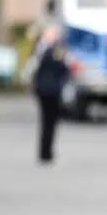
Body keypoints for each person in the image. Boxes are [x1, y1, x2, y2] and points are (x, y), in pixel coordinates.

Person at [26, 25, 75, 164]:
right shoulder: (53, 49)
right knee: (49, 122)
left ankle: (45, 152)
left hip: (44, 88)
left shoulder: (40, 48)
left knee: (47, 122)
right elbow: (63, 67)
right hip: (51, 89)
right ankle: (46, 153)